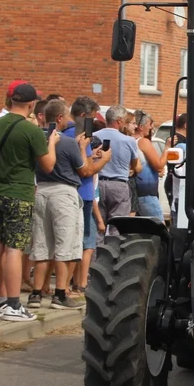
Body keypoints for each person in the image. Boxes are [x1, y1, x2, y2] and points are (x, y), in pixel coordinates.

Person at [0, 83, 60, 322]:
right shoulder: (30, 131)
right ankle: (12, 304)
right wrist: (51, 143)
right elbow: (48, 165)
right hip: (19, 194)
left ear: (10, 100)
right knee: (13, 250)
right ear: (31, 104)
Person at [28, 99, 98, 310]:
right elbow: (84, 170)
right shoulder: (68, 142)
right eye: (67, 116)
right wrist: (84, 148)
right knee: (65, 245)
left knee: (42, 243)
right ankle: (60, 293)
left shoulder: (38, 139)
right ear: (59, 118)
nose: (70, 120)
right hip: (64, 192)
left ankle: (36, 293)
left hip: (41, 190)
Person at [63, 96, 111, 296]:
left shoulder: (62, 134)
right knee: (84, 243)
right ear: (83, 115)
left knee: (77, 241)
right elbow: (87, 170)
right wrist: (104, 160)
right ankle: (77, 284)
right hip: (83, 192)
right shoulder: (80, 136)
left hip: (75, 193)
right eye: (91, 117)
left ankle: (71, 283)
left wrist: (92, 155)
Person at [93, 106, 142, 229]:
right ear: (119, 120)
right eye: (125, 120)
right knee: (117, 226)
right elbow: (135, 164)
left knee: (98, 225)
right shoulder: (128, 140)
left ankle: (98, 248)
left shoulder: (94, 136)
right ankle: (113, 247)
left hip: (97, 182)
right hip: (118, 184)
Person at [133, 110, 166, 222]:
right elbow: (159, 165)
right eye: (150, 124)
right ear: (141, 127)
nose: (151, 127)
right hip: (147, 193)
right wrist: (167, 147)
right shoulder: (143, 142)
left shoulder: (130, 140)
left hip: (135, 192)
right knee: (159, 227)